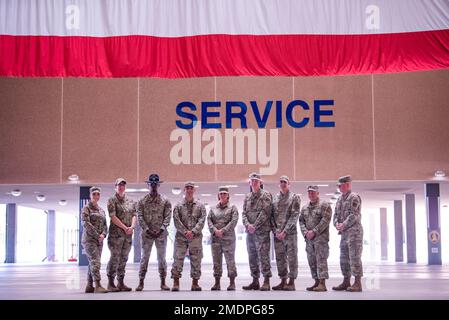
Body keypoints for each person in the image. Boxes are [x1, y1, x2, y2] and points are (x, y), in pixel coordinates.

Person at [136, 174, 172, 291]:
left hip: (161, 234)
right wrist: (147, 229)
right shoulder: (142, 201)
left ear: (158, 185)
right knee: (144, 258)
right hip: (147, 234)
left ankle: (163, 282)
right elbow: (140, 217)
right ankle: (141, 282)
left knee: (162, 258)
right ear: (148, 185)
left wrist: (161, 229)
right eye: (151, 184)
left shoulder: (165, 201)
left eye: (155, 184)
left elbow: (168, 216)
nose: (153, 186)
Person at [171, 182, 206, 291]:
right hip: (181, 237)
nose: (189, 190)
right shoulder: (178, 206)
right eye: (187, 188)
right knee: (177, 259)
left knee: (196, 259)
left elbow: (202, 220)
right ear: (184, 190)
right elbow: (176, 220)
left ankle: (195, 283)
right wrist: (186, 232)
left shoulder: (200, 206)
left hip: (195, 237)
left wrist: (193, 231)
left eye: (191, 188)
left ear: (194, 190)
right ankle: (176, 283)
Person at [332, 175, 364, 292]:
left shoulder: (354, 197)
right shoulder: (340, 199)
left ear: (347, 184)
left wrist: (343, 225)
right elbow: (335, 215)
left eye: (341, 185)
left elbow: (353, 215)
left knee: (354, 257)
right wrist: (336, 224)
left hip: (354, 233)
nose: (339, 187)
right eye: (338, 185)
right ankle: (346, 281)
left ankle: (357, 283)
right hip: (344, 234)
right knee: (344, 258)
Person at [242, 172, 273, 291]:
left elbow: (265, 212)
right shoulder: (247, 197)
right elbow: (244, 213)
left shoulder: (266, 195)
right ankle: (255, 281)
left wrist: (254, 225)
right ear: (249, 183)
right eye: (252, 180)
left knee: (263, 256)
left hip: (262, 232)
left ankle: (266, 281)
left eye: (256, 180)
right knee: (252, 256)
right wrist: (247, 225)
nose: (254, 182)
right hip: (250, 233)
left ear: (260, 182)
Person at [299, 185, 332, 292]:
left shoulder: (324, 205)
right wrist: (305, 233)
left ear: (318, 193)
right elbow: (301, 222)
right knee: (311, 261)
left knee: (321, 260)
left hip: (320, 239)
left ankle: (322, 283)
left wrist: (314, 231)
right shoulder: (304, 208)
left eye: (313, 192)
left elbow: (325, 220)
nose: (311, 194)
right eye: (309, 192)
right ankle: (316, 282)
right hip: (309, 240)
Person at [106, 178, 137, 292]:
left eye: (123, 185)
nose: (121, 187)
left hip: (127, 236)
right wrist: (125, 228)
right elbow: (113, 216)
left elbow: (134, 215)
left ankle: (121, 282)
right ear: (115, 186)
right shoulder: (112, 200)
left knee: (124, 258)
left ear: (125, 187)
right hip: (116, 236)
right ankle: (110, 283)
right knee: (115, 257)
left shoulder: (131, 201)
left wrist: (132, 227)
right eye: (119, 185)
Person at [271, 175, 300, 291]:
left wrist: (285, 231)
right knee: (280, 258)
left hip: (290, 234)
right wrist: (275, 231)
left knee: (292, 257)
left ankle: (291, 282)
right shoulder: (275, 198)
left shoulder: (294, 197)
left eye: (285, 182)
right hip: (278, 235)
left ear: (289, 184)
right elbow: (271, 216)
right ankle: (283, 281)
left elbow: (294, 216)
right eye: (281, 181)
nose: (283, 183)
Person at [207, 186, 239, 291]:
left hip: (228, 239)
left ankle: (232, 283)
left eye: (225, 194)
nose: (222, 195)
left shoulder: (233, 208)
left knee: (230, 261)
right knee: (216, 261)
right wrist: (215, 231)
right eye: (221, 194)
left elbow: (234, 221)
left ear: (228, 195)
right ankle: (217, 283)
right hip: (216, 239)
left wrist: (223, 231)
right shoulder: (213, 209)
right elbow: (209, 221)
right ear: (218, 195)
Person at [81, 186, 108, 293]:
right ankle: (98, 285)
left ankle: (89, 285)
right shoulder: (86, 208)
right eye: (94, 194)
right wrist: (97, 235)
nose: (96, 196)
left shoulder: (101, 210)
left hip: (100, 240)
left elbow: (105, 225)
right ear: (90, 195)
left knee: (93, 262)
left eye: (98, 194)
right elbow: (86, 223)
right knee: (95, 262)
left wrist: (103, 235)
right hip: (89, 240)